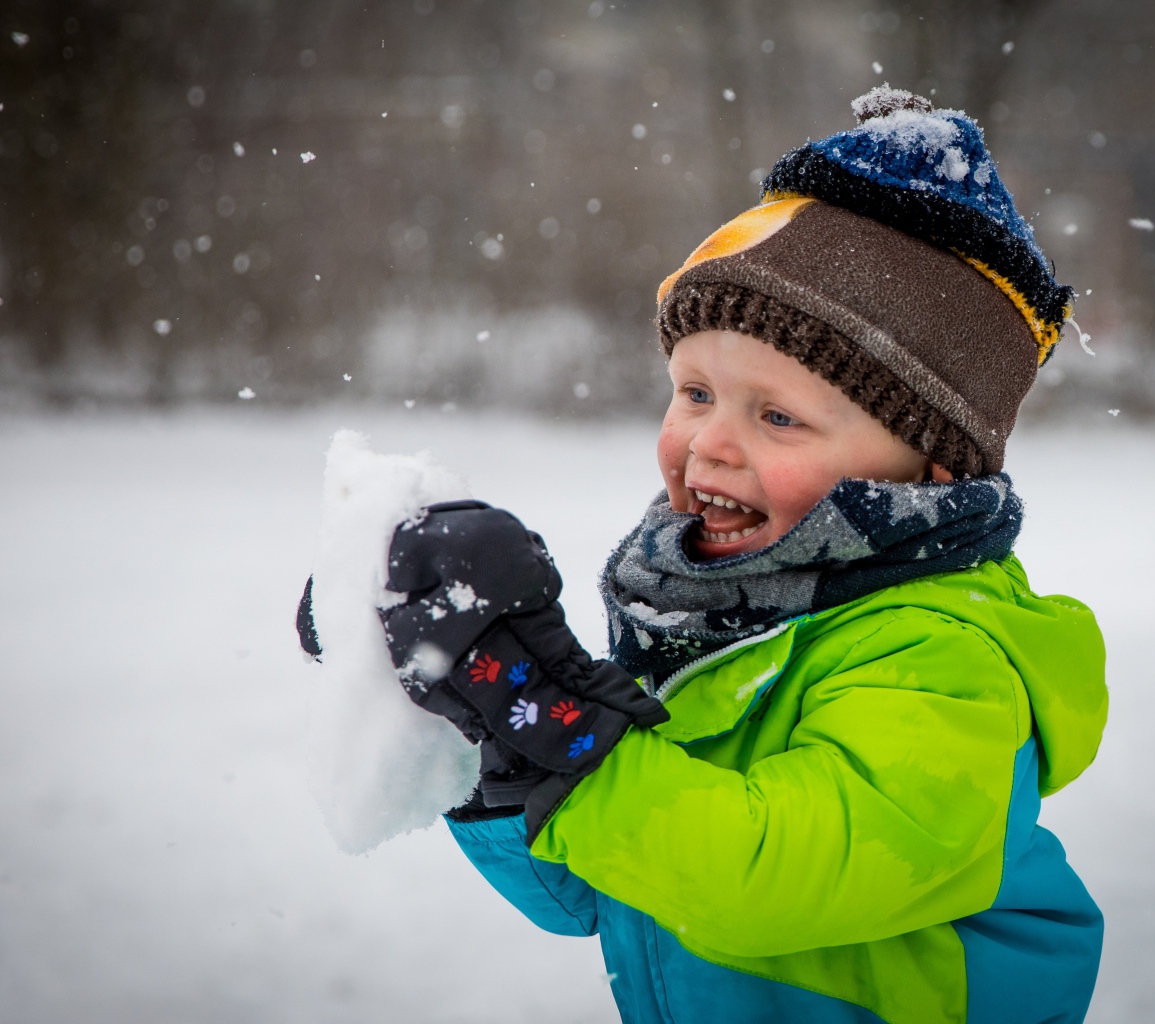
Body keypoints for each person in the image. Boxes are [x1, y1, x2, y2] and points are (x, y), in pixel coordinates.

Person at [305, 86, 1108, 1024]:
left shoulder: (942, 661)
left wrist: (572, 732)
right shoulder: (720, 619)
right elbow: (601, 896)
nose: (709, 445)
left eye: (776, 415)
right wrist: (491, 721)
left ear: (924, 471)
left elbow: (763, 876)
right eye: (694, 393)